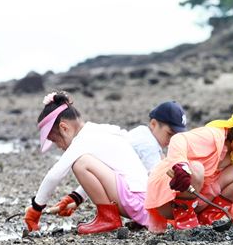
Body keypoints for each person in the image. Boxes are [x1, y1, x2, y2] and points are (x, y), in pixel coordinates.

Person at [24, 91, 150, 234]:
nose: (58, 146)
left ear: (64, 128)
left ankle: (108, 218)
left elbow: (54, 175)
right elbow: (106, 172)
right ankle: (107, 216)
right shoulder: (97, 130)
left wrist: (36, 208)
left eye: (55, 140)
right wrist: (76, 197)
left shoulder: (82, 140)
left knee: (80, 164)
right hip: (146, 204)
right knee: (84, 162)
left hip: (135, 203)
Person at [144, 104, 233, 235]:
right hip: (170, 196)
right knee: (197, 169)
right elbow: (178, 139)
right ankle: (185, 221)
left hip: (196, 203)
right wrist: (180, 166)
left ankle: (205, 221)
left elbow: (226, 197)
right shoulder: (212, 135)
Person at [127, 101, 187, 173]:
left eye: (176, 136)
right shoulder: (149, 145)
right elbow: (156, 176)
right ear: (153, 124)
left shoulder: (142, 131)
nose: (172, 140)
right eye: (169, 134)